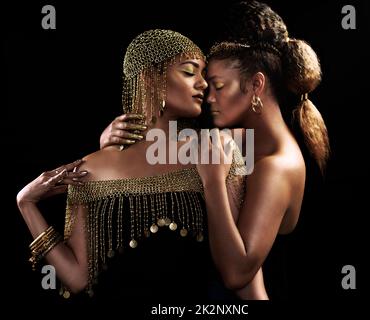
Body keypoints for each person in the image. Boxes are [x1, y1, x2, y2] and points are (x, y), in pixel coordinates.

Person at [101, 1, 330, 299]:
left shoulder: (277, 165)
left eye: (218, 86)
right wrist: (110, 144)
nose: (208, 97)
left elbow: (237, 274)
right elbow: (156, 157)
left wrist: (212, 183)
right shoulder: (240, 140)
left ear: (255, 85)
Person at [16, 29, 248, 302]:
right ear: (150, 79)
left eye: (203, 75)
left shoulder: (217, 151)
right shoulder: (92, 167)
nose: (204, 84)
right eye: (189, 72)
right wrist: (26, 204)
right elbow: (77, 279)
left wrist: (213, 182)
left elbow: (236, 272)